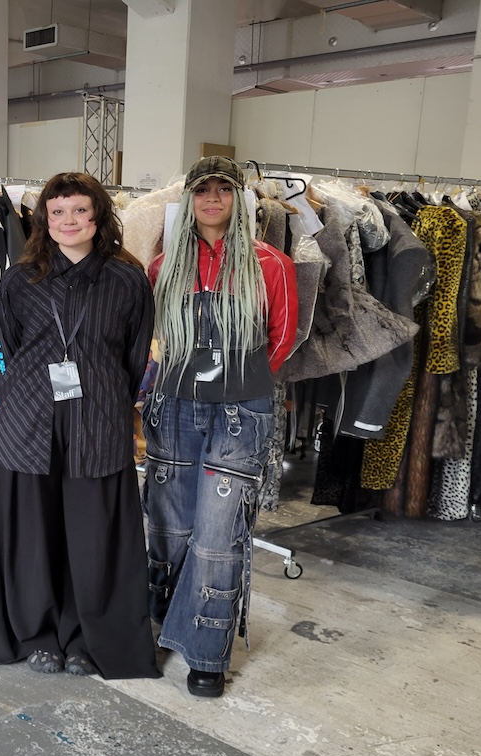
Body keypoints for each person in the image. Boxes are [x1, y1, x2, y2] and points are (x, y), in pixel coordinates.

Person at [0, 172, 161, 681]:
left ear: (98, 215)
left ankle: (83, 637)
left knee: (92, 535)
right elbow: (7, 348)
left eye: (79, 210)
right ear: (42, 220)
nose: (68, 221)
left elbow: (136, 356)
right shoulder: (19, 279)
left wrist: (104, 393)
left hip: (97, 421)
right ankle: (38, 632)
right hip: (26, 423)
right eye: (57, 212)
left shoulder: (127, 279)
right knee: (34, 534)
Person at [143, 156, 298, 698]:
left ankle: (206, 652)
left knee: (218, 533)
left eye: (223, 190)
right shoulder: (164, 267)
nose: (213, 199)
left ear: (239, 199)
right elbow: (155, 339)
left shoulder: (270, 264)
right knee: (166, 524)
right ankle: (157, 627)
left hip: (240, 411)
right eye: (202, 191)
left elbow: (282, 338)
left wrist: (238, 381)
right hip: (175, 406)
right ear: (188, 200)